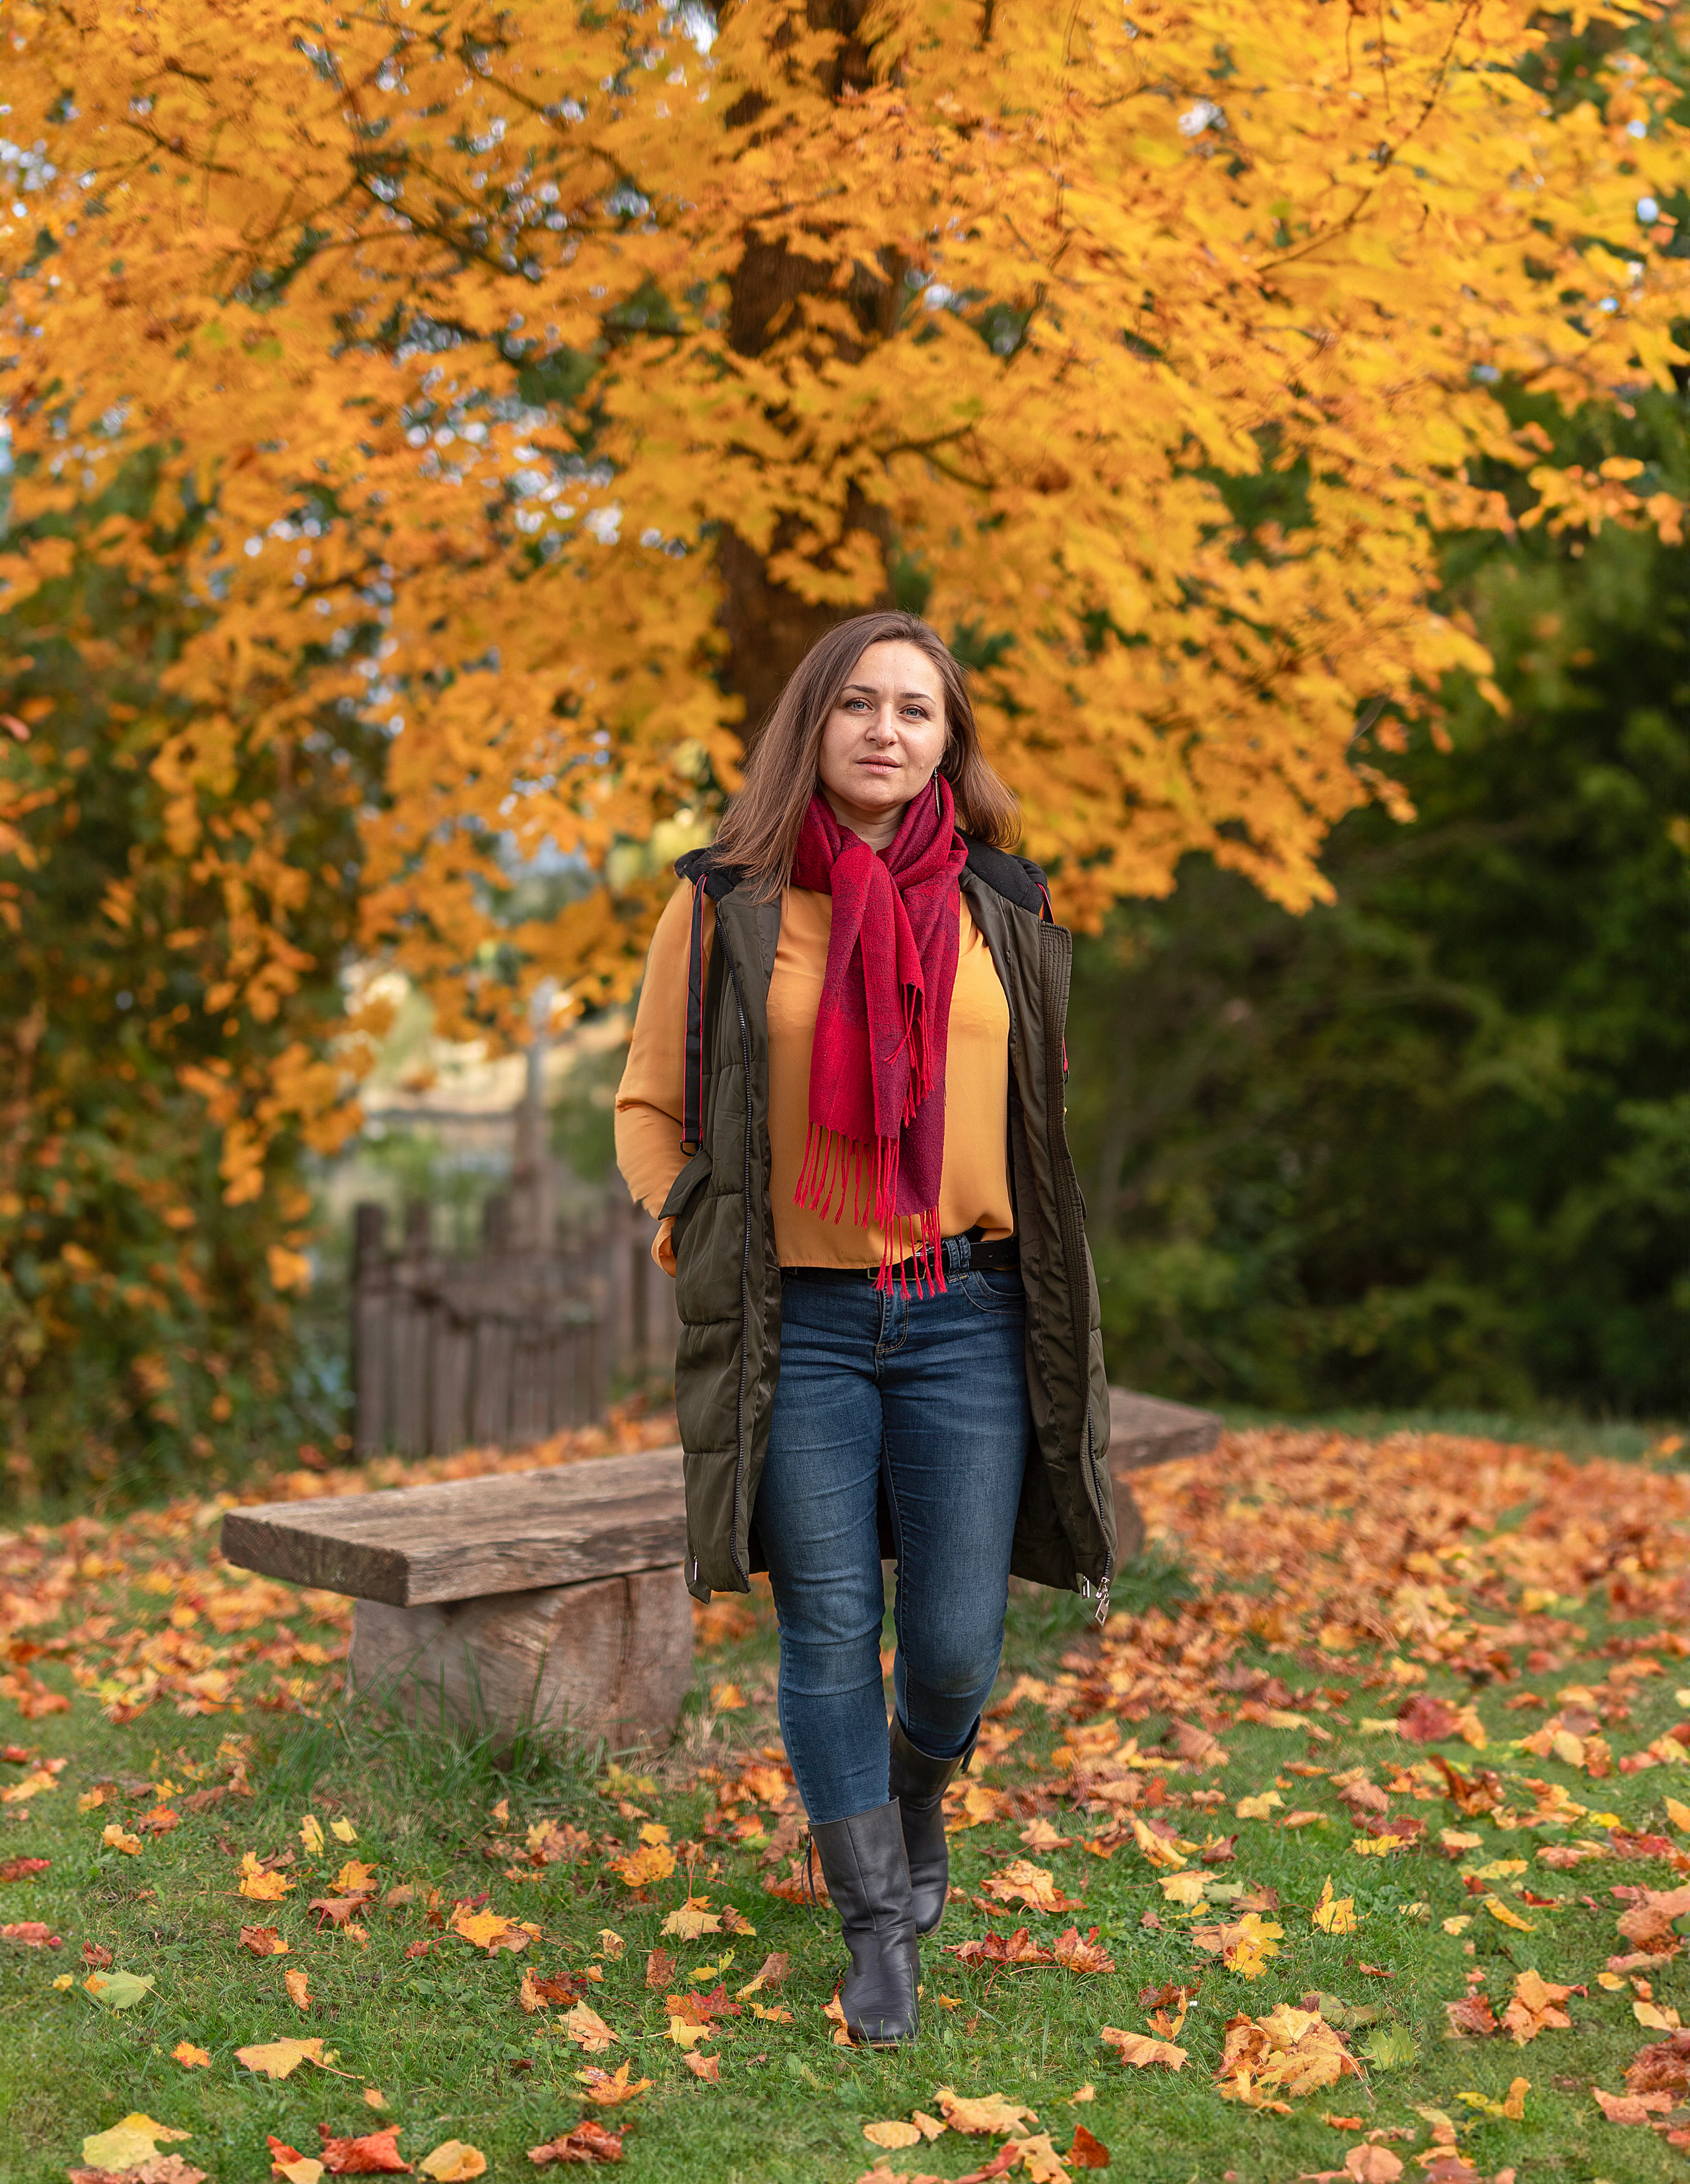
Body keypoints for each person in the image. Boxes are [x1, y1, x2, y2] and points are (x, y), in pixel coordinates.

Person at [615, 609, 1114, 2046]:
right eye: (856, 705)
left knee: (953, 1646)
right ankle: (874, 1921)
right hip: (800, 1325)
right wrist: (682, 1225)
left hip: (965, 1309)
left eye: (915, 710)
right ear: (810, 727)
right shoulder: (722, 904)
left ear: (948, 739)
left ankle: (911, 1797)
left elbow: (1028, 1119)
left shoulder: (1001, 909)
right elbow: (648, 1106)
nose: (884, 730)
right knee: (828, 1625)